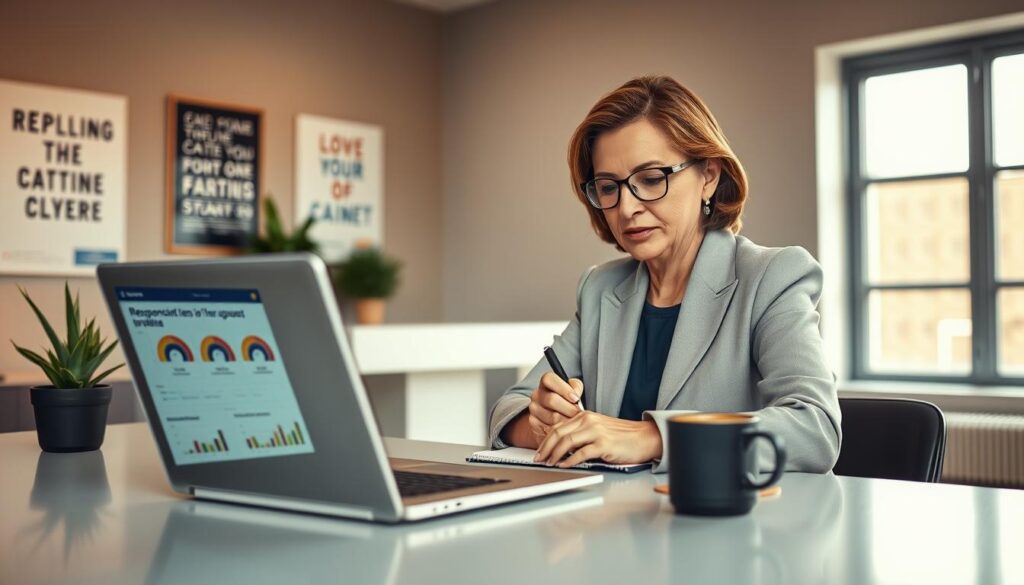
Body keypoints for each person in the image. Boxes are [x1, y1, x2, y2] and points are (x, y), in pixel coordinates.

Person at [488, 75, 841, 473]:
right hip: (614, 524)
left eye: (651, 180)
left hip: (730, 527)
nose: (626, 208)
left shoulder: (772, 277)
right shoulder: (600, 288)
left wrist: (652, 437)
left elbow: (814, 428)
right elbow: (509, 409)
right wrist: (544, 422)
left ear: (708, 176)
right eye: (608, 187)